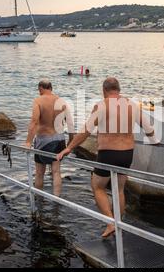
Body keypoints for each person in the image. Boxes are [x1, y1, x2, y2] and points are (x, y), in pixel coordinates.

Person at [56, 77, 158, 237]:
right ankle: (119, 223)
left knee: (98, 187)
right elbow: (148, 128)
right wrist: (154, 141)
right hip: (127, 153)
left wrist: (68, 148)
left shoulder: (101, 106)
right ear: (119, 89)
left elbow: (86, 131)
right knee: (119, 189)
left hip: (108, 154)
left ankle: (110, 223)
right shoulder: (132, 105)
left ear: (104, 91)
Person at [25, 80, 74, 197]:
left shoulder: (38, 101)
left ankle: (39, 199)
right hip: (60, 139)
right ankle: (56, 200)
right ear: (51, 88)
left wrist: (28, 142)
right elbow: (70, 123)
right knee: (56, 172)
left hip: (44, 140)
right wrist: (70, 143)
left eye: (39, 90)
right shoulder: (61, 101)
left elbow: (34, 121)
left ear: (41, 88)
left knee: (39, 173)